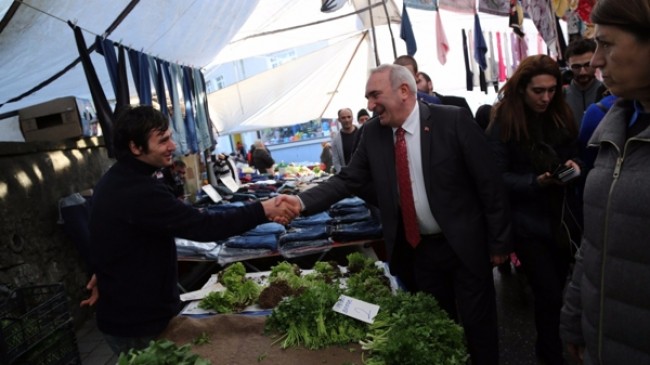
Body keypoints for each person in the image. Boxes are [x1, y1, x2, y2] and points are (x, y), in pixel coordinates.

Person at [278, 64, 512, 365]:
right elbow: (347, 179)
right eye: (367, 97)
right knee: (437, 330)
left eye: (375, 95)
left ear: (404, 91)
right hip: (420, 251)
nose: (369, 105)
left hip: (465, 245)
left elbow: (489, 183)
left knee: (479, 329)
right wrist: (299, 202)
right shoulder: (373, 134)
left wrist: (499, 243)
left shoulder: (451, 120)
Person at [81, 105, 297, 356]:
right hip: (137, 323)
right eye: (163, 140)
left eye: (171, 137)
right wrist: (263, 210)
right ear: (135, 147)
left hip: (127, 312)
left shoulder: (121, 179)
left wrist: (105, 271)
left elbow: (107, 234)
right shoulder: (138, 190)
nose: (173, 146)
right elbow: (204, 226)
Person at [560, 1, 650, 364]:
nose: (596, 61)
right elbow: (595, 242)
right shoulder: (613, 125)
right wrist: (574, 319)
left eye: (607, 44)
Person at [486, 54, 581, 365]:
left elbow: (577, 152)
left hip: (562, 220)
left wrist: (573, 166)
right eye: (538, 91)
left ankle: (553, 350)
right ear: (522, 88)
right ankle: (550, 355)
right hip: (527, 223)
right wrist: (535, 182)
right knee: (549, 294)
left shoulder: (560, 115)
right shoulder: (504, 122)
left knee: (558, 293)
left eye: (552, 90)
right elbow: (495, 177)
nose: (545, 97)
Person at [564, 38, 605, 129]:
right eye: (576, 67)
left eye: (587, 65)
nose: (583, 72)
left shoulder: (607, 94)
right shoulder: (561, 95)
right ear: (568, 65)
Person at [330, 107, 358, 173]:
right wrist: (344, 175)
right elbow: (336, 161)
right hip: (348, 177)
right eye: (343, 118)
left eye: (349, 117)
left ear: (352, 117)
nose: (347, 120)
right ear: (339, 120)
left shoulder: (362, 132)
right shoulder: (335, 140)